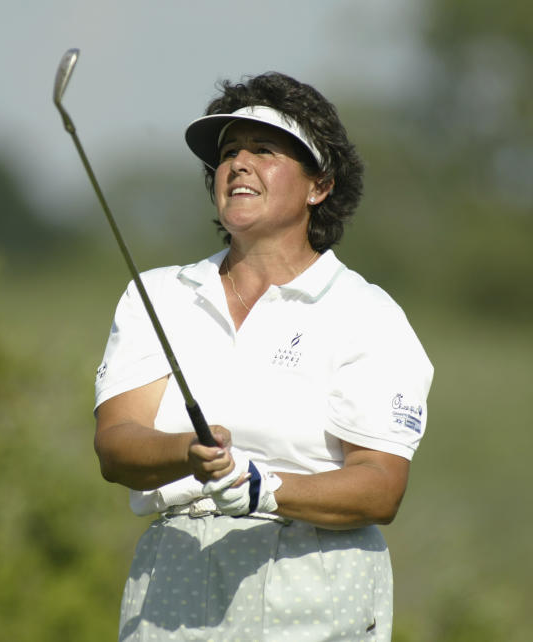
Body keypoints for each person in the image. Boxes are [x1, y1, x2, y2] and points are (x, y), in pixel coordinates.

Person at [93, 72, 433, 642]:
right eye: (228, 153)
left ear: (319, 185)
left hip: (314, 581)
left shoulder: (366, 313)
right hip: (175, 575)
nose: (238, 164)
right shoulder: (159, 295)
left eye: (264, 150)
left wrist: (267, 487)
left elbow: (380, 485)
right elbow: (116, 443)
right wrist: (189, 453)